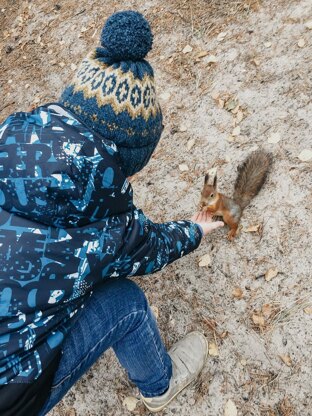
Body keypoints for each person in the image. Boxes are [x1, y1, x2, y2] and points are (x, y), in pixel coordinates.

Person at [0, 11, 224, 415]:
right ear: (129, 156)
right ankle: (160, 386)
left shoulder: (9, 135)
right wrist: (196, 229)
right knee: (127, 303)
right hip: (9, 392)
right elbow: (151, 246)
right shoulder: (112, 226)